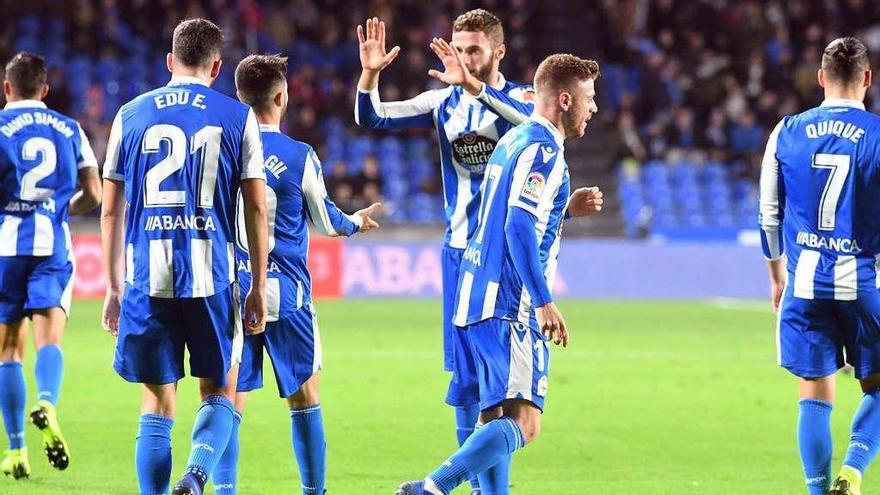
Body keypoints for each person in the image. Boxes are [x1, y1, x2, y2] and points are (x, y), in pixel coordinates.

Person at [397, 53, 604, 495]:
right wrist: (543, 298)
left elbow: (507, 214)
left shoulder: (512, 142)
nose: (594, 108)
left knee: (493, 418)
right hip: (509, 303)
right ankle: (431, 488)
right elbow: (517, 223)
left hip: (473, 294)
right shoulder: (544, 151)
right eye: (589, 98)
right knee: (525, 424)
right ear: (565, 100)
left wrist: (564, 209)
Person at [354, 10, 534, 493]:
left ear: (499, 51)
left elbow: (534, 126)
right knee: (466, 388)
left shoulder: (519, 98)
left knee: (500, 391)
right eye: (459, 48)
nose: (463, 58)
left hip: (506, 262)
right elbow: (371, 116)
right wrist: (370, 75)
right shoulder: (442, 102)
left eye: (474, 49)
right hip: (458, 256)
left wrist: (477, 88)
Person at [100, 19, 269, 495]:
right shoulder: (239, 117)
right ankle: (197, 474)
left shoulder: (130, 114)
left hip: (146, 278)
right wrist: (257, 285)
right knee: (219, 389)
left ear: (170, 62)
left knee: (155, 400)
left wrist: (113, 287)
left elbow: (110, 210)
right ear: (217, 66)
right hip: (211, 276)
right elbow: (256, 205)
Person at [210, 54, 382, 495]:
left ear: (239, 98)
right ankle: (313, 492)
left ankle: (224, 490)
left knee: (228, 400)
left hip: (232, 291)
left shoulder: (223, 151)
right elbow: (326, 220)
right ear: (282, 98)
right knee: (304, 399)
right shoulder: (298, 154)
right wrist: (356, 222)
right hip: (285, 294)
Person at [759, 37, 880, 495]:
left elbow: (768, 212)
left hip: (804, 283)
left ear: (820, 79)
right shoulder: (877, 136)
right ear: (867, 79)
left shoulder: (786, 130)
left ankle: (817, 490)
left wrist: (776, 277)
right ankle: (852, 470)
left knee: (813, 391)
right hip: (863, 281)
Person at [0, 52, 102, 479]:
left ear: (7, 88)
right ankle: (46, 402)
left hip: (5, 248)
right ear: (44, 90)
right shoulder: (69, 128)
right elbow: (93, 194)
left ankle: (17, 451)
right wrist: (62, 210)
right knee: (50, 340)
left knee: (8, 351)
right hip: (52, 246)